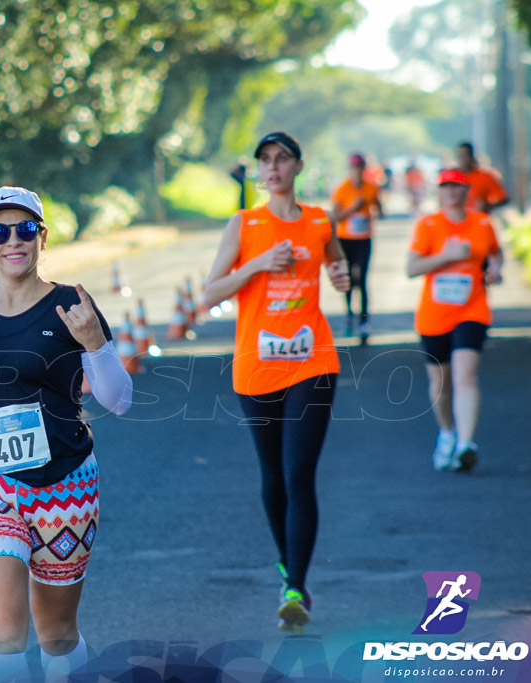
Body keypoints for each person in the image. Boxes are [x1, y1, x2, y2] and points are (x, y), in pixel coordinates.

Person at [0, 187, 132, 681]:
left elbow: (119, 400)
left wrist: (95, 345)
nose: (13, 240)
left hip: (65, 486)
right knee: (3, 631)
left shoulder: (70, 306)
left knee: (56, 634)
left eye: (25, 229)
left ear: (41, 238)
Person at [201, 132, 350, 632]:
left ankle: (295, 588)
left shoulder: (318, 221)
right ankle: (288, 563)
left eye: (281, 158)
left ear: (297, 166)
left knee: (299, 471)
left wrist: (340, 275)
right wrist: (259, 264)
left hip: (313, 362)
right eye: (264, 160)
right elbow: (210, 292)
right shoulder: (244, 225)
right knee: (273, 476)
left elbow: (335, 257)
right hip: (257, 366)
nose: (272, 167)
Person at [407, 169, 502, 473]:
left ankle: (466, 444)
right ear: (439, 192)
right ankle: (447, 433)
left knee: (466, 375)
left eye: (456, 187)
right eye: (445, 187)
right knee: (441, 382)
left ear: (466, 191)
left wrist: (495, 269)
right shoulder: (428, 225)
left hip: (472, 310)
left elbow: (495, 255)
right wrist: (446, 257)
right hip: (434, 315)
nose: (451, 192)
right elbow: (412, 268)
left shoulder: (483, 223)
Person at [331, 153, 383, 344]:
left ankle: (363, 321)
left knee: (361, 278)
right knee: (348, 279)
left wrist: (375, 211)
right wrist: (353, 208)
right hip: (345, 239)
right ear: (350, 170)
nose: (358, 172)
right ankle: (348, 314)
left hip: (364, 239)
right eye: (355, 168)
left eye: (361, 168)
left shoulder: (371, 187)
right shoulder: (342, 189)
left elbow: (379, 208)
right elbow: (335, 217)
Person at [455, 142, 508, 215]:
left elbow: (503, 198)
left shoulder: (485, 176)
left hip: (478, 220)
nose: (462, 160)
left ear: (471, 156)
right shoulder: (452, 178)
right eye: (459, 156)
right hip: (455, 222)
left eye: (464, 156)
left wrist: (487, 205)